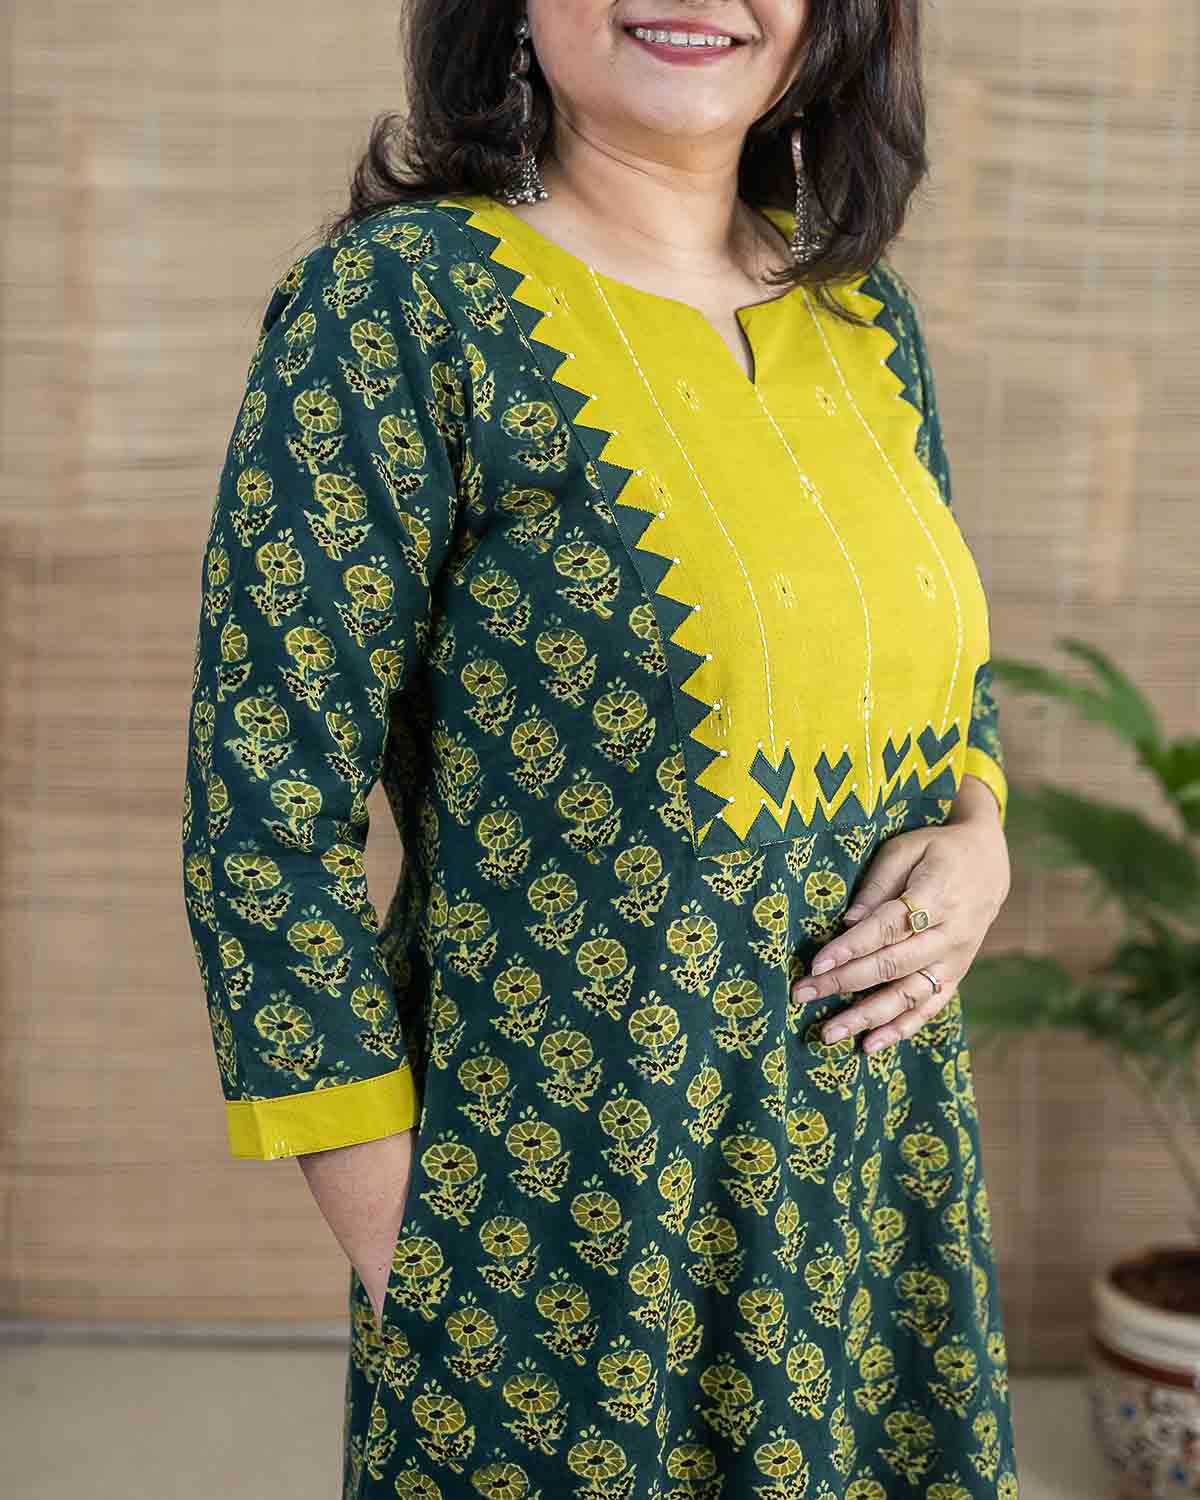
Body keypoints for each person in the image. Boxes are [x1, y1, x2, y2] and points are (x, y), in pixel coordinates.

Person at [180, 2, 1020, 1496]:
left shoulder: (861, 317)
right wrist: (420, 1266)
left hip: (871, 1213)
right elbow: (261, 814)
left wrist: (981, 835)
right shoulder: (400, 305)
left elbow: (949, 691)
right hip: (560, 1244)